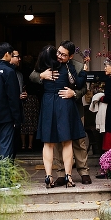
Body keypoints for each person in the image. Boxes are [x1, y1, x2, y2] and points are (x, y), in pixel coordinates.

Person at [34, 41, 90, 188]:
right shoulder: (64, 68)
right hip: (64, 105)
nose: (59, 56)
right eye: (58, 53)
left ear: (70, 56)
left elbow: (82, 88)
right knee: (67, 142)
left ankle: (49, 176)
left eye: (63, 54)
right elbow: (79, 81)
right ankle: (67, 176)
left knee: (50, 143)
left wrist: (74, 93)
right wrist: (41, 76)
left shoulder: (46, 65)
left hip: (51, 105)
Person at [9, 49, 27, 158]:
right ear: (8, 56)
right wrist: (17, 97)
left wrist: (23, 96)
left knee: (15, 142)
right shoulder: (5, 73)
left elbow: (21, 89)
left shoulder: (19, 74)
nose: (19, 59)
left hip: (18, 112)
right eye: (17, 56)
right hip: (7, 115)